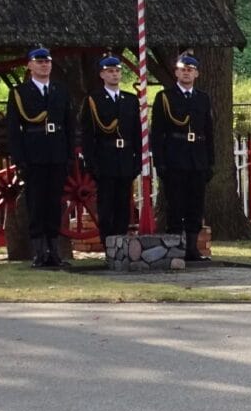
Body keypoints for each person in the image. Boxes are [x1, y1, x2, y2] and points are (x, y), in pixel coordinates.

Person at [5, 45, 75, 268]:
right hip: (33, 153)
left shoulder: (60, 91)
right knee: (35, 203)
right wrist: (19, 158)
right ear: (30, 65)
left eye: (47, 62)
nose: (44, 65)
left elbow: (69, 125)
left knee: (54, 203)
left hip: (57, 153)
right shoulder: (20, 93)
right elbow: (14, 129)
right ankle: (38, 252)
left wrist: (69, 155)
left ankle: (54, 251)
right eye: (39, 61)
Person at [152, 51, 214, 261]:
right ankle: (175, 247)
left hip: (197, 158)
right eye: (183, 70)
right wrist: (159, 161)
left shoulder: (203, 98)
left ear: (196, 74)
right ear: (176, 72)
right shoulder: (165, 98)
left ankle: (192, 248)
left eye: (190, 70)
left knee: (195, 204)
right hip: (175, 157)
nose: (186, 73)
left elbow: (209, 131)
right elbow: (157, 132)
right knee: (175, 204)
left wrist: (210, 162)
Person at [79, 54, 141, 242]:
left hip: (125, 158)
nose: (114, 75)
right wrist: (92, 163)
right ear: (102, 75)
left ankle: (121, 242)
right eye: (110, 71)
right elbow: (88, 135)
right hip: (105, 157)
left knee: (123, 204)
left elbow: (136, 133)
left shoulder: (130, 100)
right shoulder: (93, 100)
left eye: (117, 71)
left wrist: (137, 160)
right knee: (106, 205)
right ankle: (109, 244)